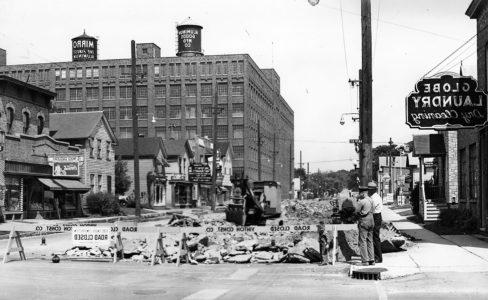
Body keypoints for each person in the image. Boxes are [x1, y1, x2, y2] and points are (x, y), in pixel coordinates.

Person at [356, 185, 375, 265]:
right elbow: (373, 210)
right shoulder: (371, 200)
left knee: (362, 241)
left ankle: (365, 260)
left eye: (360, 193)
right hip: (371, 220)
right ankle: (372, 259)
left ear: (363, 193)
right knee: (370, 240)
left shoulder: (362, 201)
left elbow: (356, 211)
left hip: (364, 220)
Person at [368, 181, 383, 263]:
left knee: (375, 238)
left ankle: (378, 257)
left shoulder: (375, 198)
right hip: (376, 216)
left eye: (369, 190)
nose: (368, 191)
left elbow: (371, 208)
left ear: (373, 190)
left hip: (376, 216)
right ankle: (375, 256)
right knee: (374, 237)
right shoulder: (374, 196)